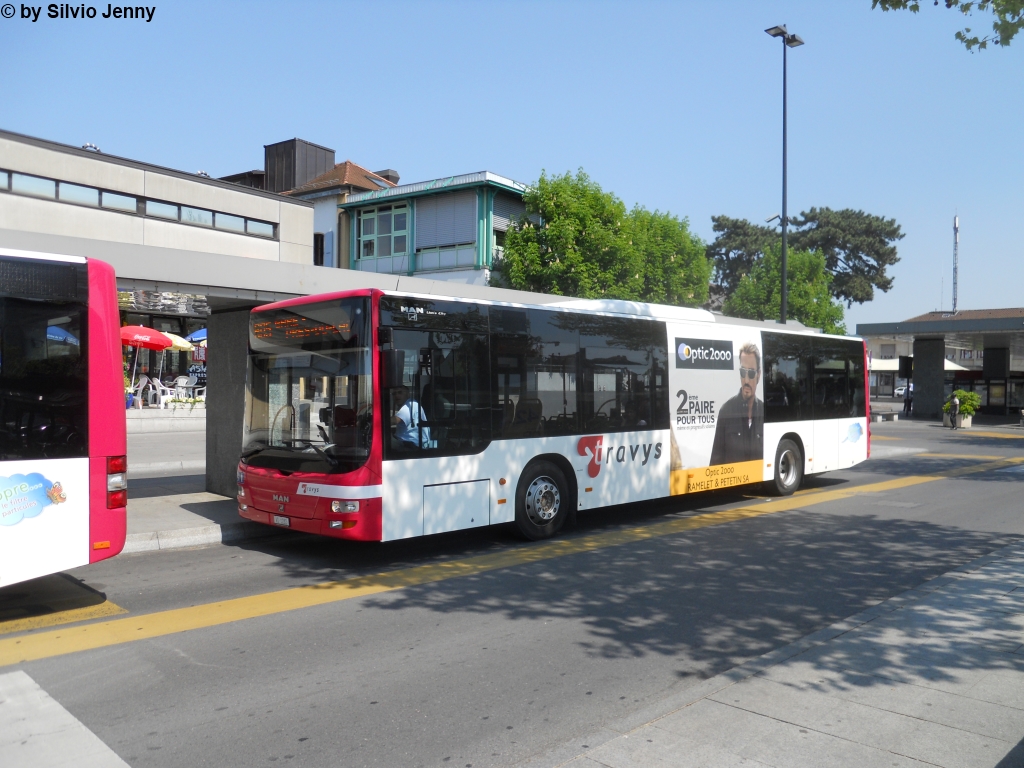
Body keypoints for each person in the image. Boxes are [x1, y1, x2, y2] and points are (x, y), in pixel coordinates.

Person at [710, 342, 764, 466]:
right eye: (742, 372)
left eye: (751, 373)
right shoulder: (726, 411)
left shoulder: (764, 411)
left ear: (758, 375)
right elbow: (715, 461)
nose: (746, 380)